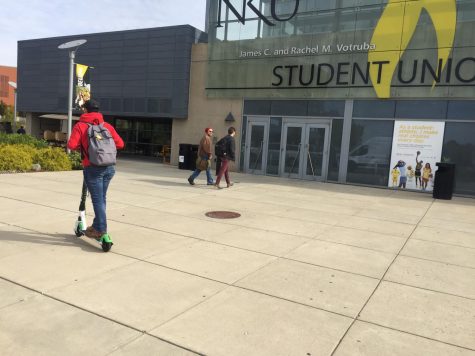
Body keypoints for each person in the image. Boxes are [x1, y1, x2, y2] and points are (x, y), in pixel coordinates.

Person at [67, 99, 124, 239]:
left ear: (85, 110)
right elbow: (120, 144)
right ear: (98, 111)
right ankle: (96, 226)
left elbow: (71, 145)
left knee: (98, 200)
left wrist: (85, 147)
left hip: (92, 168)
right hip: (109, 167)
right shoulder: (107, 126)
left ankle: (101, 230)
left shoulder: (80, 126)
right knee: (101, 199)